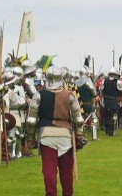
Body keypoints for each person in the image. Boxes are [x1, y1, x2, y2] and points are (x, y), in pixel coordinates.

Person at [27, 65, 85, 196]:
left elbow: (31, 120)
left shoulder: (38, 95)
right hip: (65, 137)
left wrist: (30, 139)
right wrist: (80, 137)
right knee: (66, 172)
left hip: (46, 136)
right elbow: (79, 120)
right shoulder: (70, 95)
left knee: (49, 171)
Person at [75, 66, 98, 140]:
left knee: (79, 120)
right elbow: (94, 93)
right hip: (88, 104)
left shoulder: (76, 82)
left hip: (78, 105)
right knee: (94, 119)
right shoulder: (88, 81)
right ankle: (94, 137)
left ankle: (79, 135)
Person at [100, 67, 122, 136]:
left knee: (107, 116)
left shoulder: (104, 81)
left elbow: (101, 90)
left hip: (106, 101)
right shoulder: (118, 82)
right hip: (114, 101)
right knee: (114, 116)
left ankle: (107, 131)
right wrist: (120, 98)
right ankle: (112, 131)